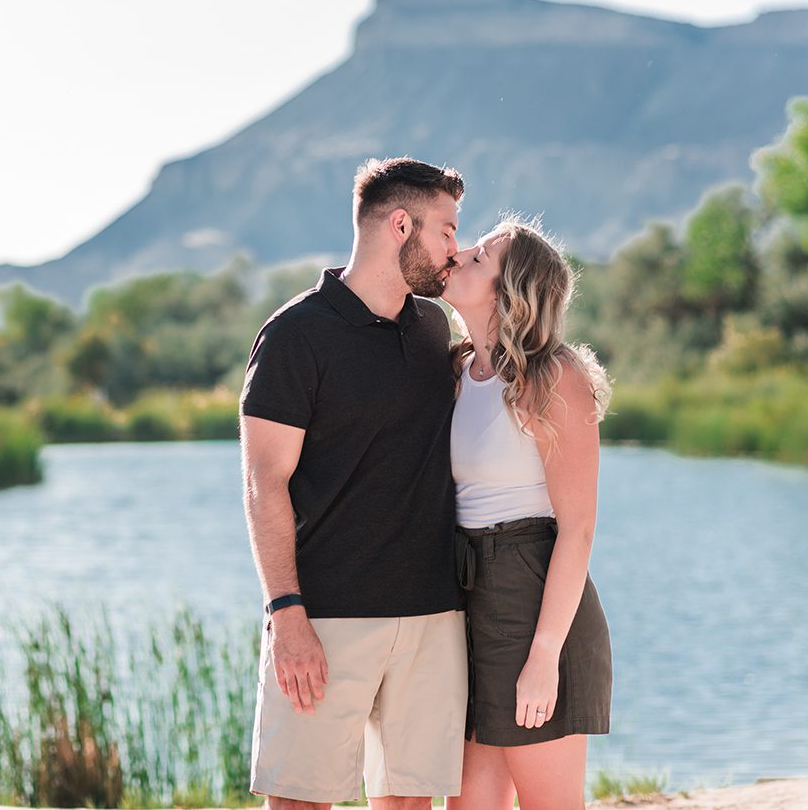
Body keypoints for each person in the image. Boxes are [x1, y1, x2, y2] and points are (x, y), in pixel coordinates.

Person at [239, 157, 468, 810]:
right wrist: (286, 613)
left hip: (432, 613)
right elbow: (264, 481)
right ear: (402, 225)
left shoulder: (432, 327)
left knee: (409, 802)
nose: (457, 248)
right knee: (300, 801)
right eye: (447, 230)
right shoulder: (294, 335)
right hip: (327, 615)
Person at [441, 215, 614, 810]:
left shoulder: (554, 378)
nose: (460, 253)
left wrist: (543, 658)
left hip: (533, 598)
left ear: (509, 291)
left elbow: (578, 529)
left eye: (481, 256)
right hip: (467, 600)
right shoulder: (455, 373)